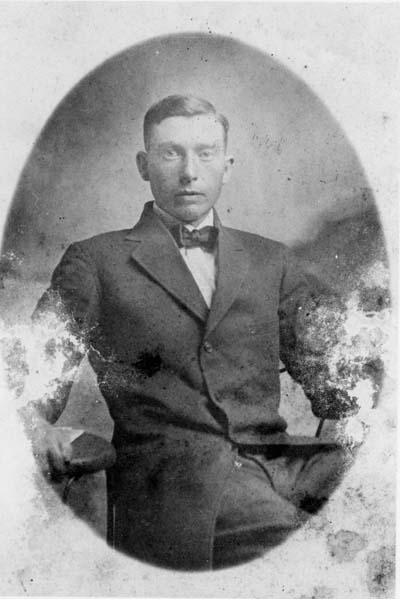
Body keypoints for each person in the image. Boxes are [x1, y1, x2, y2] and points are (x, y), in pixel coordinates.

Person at [29, 95, 357, 571]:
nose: (189, 172)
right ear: (144, 166)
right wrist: (32, 424)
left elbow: (344, 384)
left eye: (205, 153)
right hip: (176, 481)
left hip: (286, 464)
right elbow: (29, 375)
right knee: (307, 555)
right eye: (170, 153)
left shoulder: (272, 260)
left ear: (227, 165)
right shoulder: (95, 261)